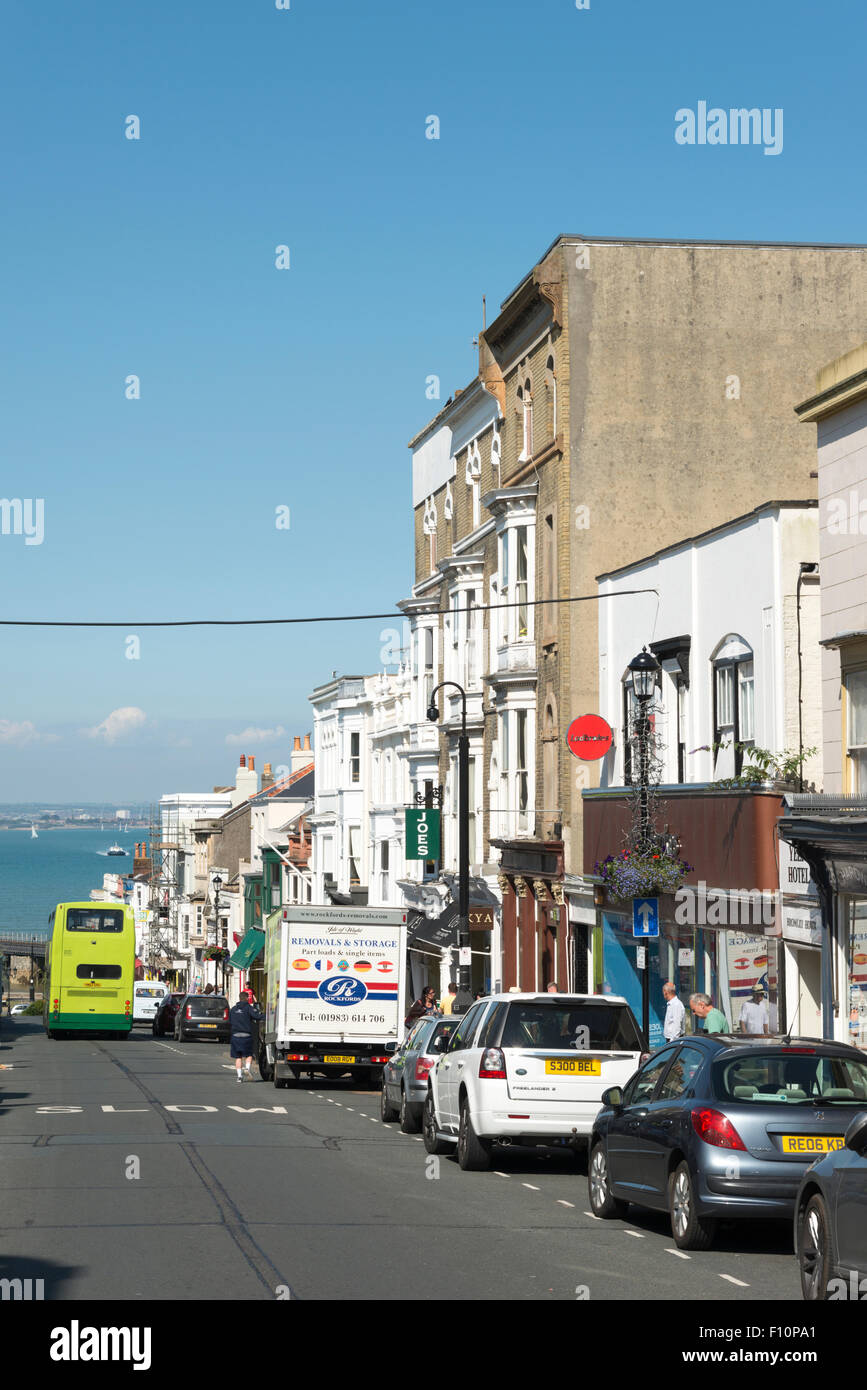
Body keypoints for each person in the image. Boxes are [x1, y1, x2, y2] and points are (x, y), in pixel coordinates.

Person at [229, 989, 263, 1081]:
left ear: (239, 998)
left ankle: (239, 1077)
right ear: (247, 998)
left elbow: (230, 1021)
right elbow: (257, 1016)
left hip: (235, 1036)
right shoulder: (249, 1008)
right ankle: (247, 1069)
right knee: (249, 1055)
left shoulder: (233, 1009)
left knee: (238, 1057)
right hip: (246, 1036)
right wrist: (267, 1015)